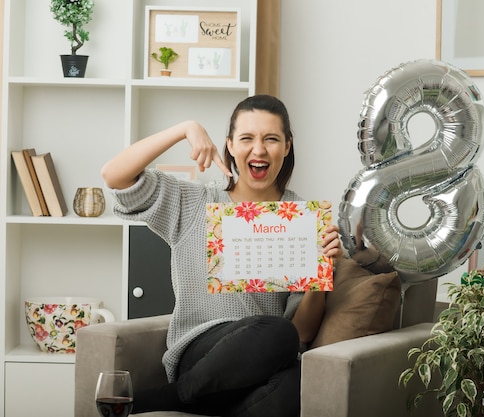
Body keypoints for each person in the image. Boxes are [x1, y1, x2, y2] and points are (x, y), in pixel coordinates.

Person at [101, 95, 342, 417]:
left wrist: (321, 275)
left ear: (287, 146)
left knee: (297, 376)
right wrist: (185, 128)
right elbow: (114, 176)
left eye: (271, 139)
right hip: (201, 355)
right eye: (247, 139)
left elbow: (302, 332)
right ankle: (175, 394)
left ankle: (172, 398)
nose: (259, 150)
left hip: (260, 365)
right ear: (229, 145)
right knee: (276, 331)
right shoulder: (195, 201)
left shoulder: (304, 219)